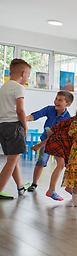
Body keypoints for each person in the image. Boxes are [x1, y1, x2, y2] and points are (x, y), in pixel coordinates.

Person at [26, 90, 74, 199]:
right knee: (41, 162)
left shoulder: (67, 119)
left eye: (60, 100)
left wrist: (39, 145)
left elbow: (54, 137)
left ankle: (68, 187)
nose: (56, 101)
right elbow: (36, 115)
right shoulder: (50, 109)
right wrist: (26, 118)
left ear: (67, 104)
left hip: (58, 144)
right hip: (46, 140)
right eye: (56, 98)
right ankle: (34, 184)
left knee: (64, 165)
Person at [0, 59, 30, 199]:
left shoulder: (4, 86)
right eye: (28, 76)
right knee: (12, 160)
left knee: (14, 159)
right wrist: (25, 126)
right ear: (23, 73)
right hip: (14, 126)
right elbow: (20, 111)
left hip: (2, 125)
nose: (27, 78)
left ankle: (20, 186)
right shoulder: (18, 87)